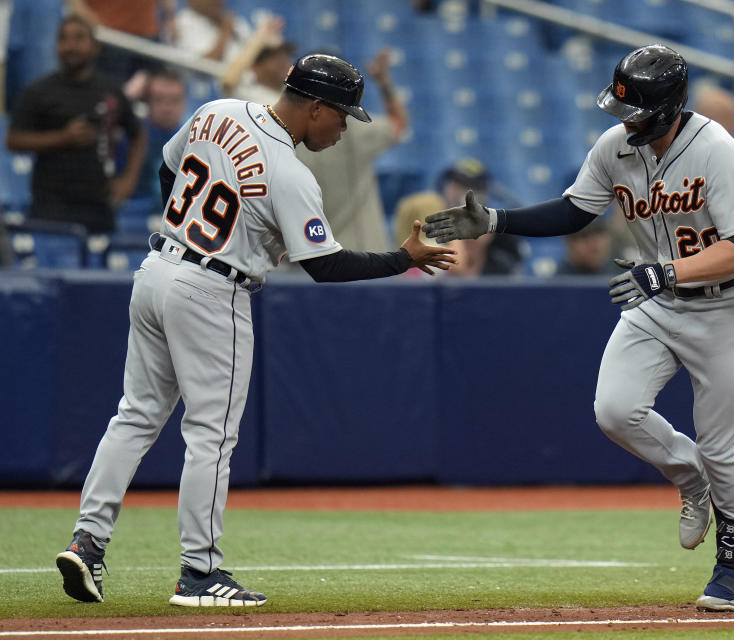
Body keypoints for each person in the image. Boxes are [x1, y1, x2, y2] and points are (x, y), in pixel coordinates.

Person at [54, 54, 455, 608]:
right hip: (212, 290)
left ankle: (88, 542)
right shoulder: (290, 173)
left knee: (136, 415)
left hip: (156, 270)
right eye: (341, 115)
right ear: (315, 107)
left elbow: (169, 170)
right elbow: (325, 265)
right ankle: (200, 573)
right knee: (211, 436)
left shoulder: (217, 109)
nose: (344, 127)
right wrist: (400, 257)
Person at [424, 45, 734, 612]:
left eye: (635, 111)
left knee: (722, 442)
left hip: (725, 304)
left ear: (667, 108)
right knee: (615, 409)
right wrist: (496, 222)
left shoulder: (715, 149)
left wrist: (666, 271)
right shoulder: (615, 147)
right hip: (657, 296)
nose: (622, 121)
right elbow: (575, 210)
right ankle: (691, 478)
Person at [6, 16, 145, 234]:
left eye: (79, 38)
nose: (70, 46)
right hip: (49, 205)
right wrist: (63, 138)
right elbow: (13, 140)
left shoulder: (111, 91)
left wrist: (128, 180)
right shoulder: (38, 91)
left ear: (95, 47)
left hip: (99, 205)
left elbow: (138, 134)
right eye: (63, 39)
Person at [296, 48, 408, 252]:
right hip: (363, 256)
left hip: (309, 257)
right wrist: (384, 82)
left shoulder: (287, 131)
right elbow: (399, 124)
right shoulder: (358, 130)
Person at [130, 68, 187, 204]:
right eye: (159, 99)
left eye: (174, 100)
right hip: (135, 210)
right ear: (147, 102)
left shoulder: (195, 138)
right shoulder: (132, 134)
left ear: (184, 103)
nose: (167, 107)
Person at [173, 0, 255, 63]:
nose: (217, 1)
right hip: (215, 82)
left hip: (249, 79)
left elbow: (257, 58)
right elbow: (204, 66)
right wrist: (225, 33)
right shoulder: (183, 22)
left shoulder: (235, 21)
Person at [555, 220, 620, 276]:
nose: (594, 246)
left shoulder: (622, 273)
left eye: (599, 235)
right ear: (569, 242)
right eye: (584, 237)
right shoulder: (556, 283)